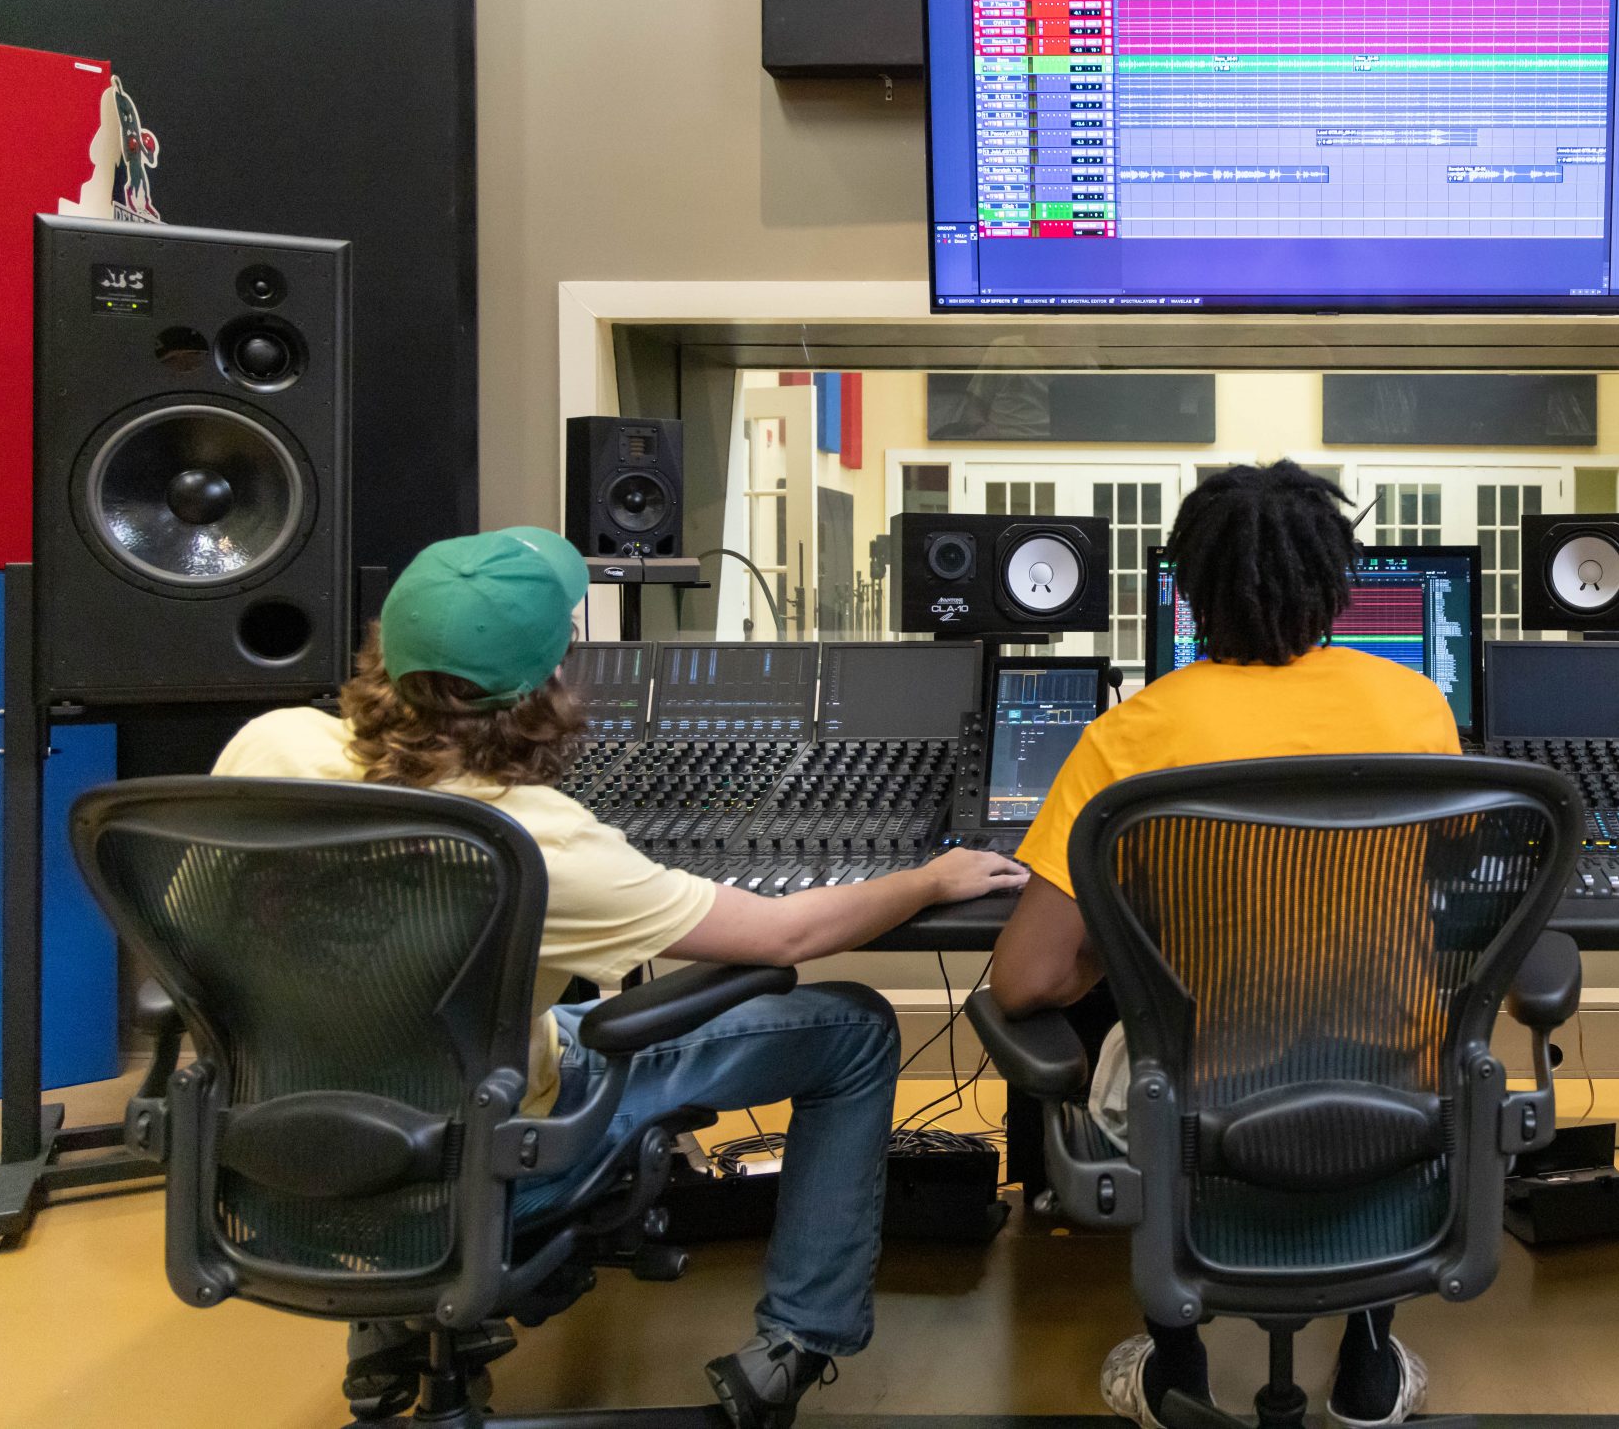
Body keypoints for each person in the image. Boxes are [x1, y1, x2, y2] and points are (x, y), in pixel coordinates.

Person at [211, 526, 1027, 1429]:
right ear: (543, 688)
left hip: (278, 1147)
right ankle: (800, 1340)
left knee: (541, 1020)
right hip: (495, 1156)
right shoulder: (532, 839)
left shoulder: (269, 748)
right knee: (855, 1028)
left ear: (385, 650)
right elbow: (786, 932)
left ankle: (396, 1317)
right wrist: (932, 877)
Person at [986, 462, 1463, 1429]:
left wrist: (1113, 960)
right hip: (1395, 1100)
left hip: (1198, 1112)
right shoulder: (1416, 709)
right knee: (1374, 1011)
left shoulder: (1134, 735)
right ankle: (1369, 1370)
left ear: (1193, 593)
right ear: (1337, 586)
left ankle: (1177, 1373)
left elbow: (1027, 978)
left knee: (1125, 1037)